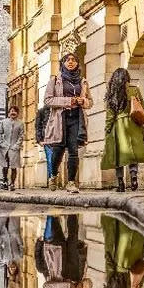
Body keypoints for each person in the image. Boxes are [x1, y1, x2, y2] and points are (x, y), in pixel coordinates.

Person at [101, 68, 144, 192]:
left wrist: (108, 129)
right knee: (133, 154)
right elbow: (141, 106)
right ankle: (133, 177)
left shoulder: (112, 93)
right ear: (127, 77)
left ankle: (120, 183)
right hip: (134, 125)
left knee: (118, 155)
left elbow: (110, 116)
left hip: (118, 127)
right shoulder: (134, 89)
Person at [43, 53, 93, 193]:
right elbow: (48, 100)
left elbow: (90, 102)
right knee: (58, 149)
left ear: (77, 63)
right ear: (63, 63)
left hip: (76, 118)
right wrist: (68, 101)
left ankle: (71, 182)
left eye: (74, 60)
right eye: (67, 60)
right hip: (60, 118)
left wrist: (83, 101)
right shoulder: (55, 80)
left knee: (73, 150)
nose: (71, 62)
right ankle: (53, 175)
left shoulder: (82, 81)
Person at [40, 215, 91, 288]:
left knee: (55, 230)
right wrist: (84, 285)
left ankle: (55, 213)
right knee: (73, 235)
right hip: (75, 267)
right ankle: (73, 210)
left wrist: (69, 287)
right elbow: (90, 284)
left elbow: (47, 286)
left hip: (59, 266)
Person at [102, 215, 144, 288]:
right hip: (120, 255)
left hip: (135, 254)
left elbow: (143, 270)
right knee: (124, 222)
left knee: (137, 223)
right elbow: (109, 263)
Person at [0, 105, 24, 191]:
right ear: (9, 113)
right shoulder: (4, 122)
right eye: (11, 111)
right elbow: (0, 134)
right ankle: (5, 181)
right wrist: (2, 143)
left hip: (14, 147)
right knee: (5, 166)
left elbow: (21, 136)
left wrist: (16, 145)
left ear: (17, 113)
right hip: (4, 147)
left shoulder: (20, 123)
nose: (13, 112)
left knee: (14, 166)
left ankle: (12, 183)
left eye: (15, 111)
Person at [35, 105, 53, 188]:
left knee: (56, 159)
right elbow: (38, 126)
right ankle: (52, 179)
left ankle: (53, 178)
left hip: (58, 137)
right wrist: (39, 140)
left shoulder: (60, 109)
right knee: (50, 159)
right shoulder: (42, 111)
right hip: (46, 138)